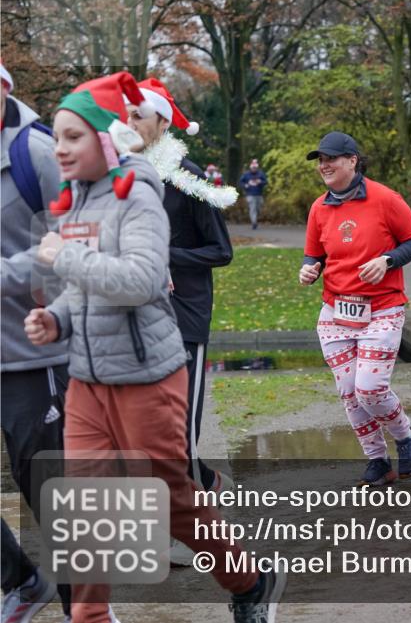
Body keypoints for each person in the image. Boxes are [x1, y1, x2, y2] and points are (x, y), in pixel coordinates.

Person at [24, 72, 282, 623]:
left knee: (170, 496)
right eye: (57, 137)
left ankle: (250, 581)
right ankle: (89, 617)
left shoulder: (141, 193)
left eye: (72, 137)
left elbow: (142, 279)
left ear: (104, 138)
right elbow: (82, 284)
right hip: (88, 378)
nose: (59, 149)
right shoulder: (75, 199)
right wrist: (57, 317)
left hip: (147, 374)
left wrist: (61, 258)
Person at [126, 77, 237, 565]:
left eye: (137, 116)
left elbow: (222, 251)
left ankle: (190, 531)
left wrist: (166, 258)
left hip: (184, 319)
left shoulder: (186, 175)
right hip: (139, 317)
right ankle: (207, 483)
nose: (127, 124)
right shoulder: (125, 173)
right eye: (125, 115)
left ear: (161, 122)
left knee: (176, 431)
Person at [300, 131, 411, 486]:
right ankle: (376, 460)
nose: (324, 165)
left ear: (352, 161)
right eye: (320, 160)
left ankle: (405, 436)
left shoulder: (386, 199)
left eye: (331, 159)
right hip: (335, 313)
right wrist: (309, 268)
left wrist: (388, 260)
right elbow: (315, 253)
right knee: (349, 394)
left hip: (382, 308)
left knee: (369, 387)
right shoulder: (319, 207)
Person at [0, 61, 73, 622]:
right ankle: (22, 580)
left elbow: (76, 239)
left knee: (50, 493)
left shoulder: (39, 154)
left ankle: (88, 612)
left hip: (32, 356)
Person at [239, 157, 267, 229]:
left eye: (255, 168)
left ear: (257, 167)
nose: (254, 169)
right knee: (252, 208)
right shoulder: (246, 174)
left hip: (259, 194)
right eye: (253, 167)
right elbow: (241, 182)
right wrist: (246, 185)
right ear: (251, 167)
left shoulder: (261, 174)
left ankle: (255, 219)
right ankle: (254, 222)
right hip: (250, 195)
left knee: (258, 209)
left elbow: (265, 182)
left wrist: (260, 182)